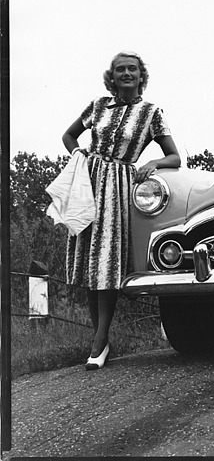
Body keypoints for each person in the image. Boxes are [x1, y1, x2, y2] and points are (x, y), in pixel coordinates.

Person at [62, 51, 181, 370]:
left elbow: (175, 157)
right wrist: (79, 156)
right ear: (111, 77)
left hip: (119, 186)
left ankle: (99, 340)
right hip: (89, 182)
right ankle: (101, 340)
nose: (126, 73)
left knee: (106, 262)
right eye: (120, 70)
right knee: (90, 261)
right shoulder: (97, 106)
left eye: (132, 69)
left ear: (142, 76)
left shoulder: (151, 113)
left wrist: (152, 162)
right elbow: (68, 135)